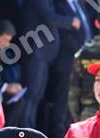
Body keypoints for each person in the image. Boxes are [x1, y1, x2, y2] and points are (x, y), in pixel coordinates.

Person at [19, 0, 83, 128]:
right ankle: (24, 128)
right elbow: (49, 18)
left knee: (37, 95)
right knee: (31, 94)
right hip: (36, 52)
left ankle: (29, 127)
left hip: (44, 54)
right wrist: (70, 21)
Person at [46, 0, 91, 138]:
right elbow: (62, 32)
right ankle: (58, 132)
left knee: (74, 94)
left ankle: (69, 129)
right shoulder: (59, 3)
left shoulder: (78, 3)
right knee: (63, 95)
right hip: (67, 57)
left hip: (80, 57)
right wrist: (78, 49)